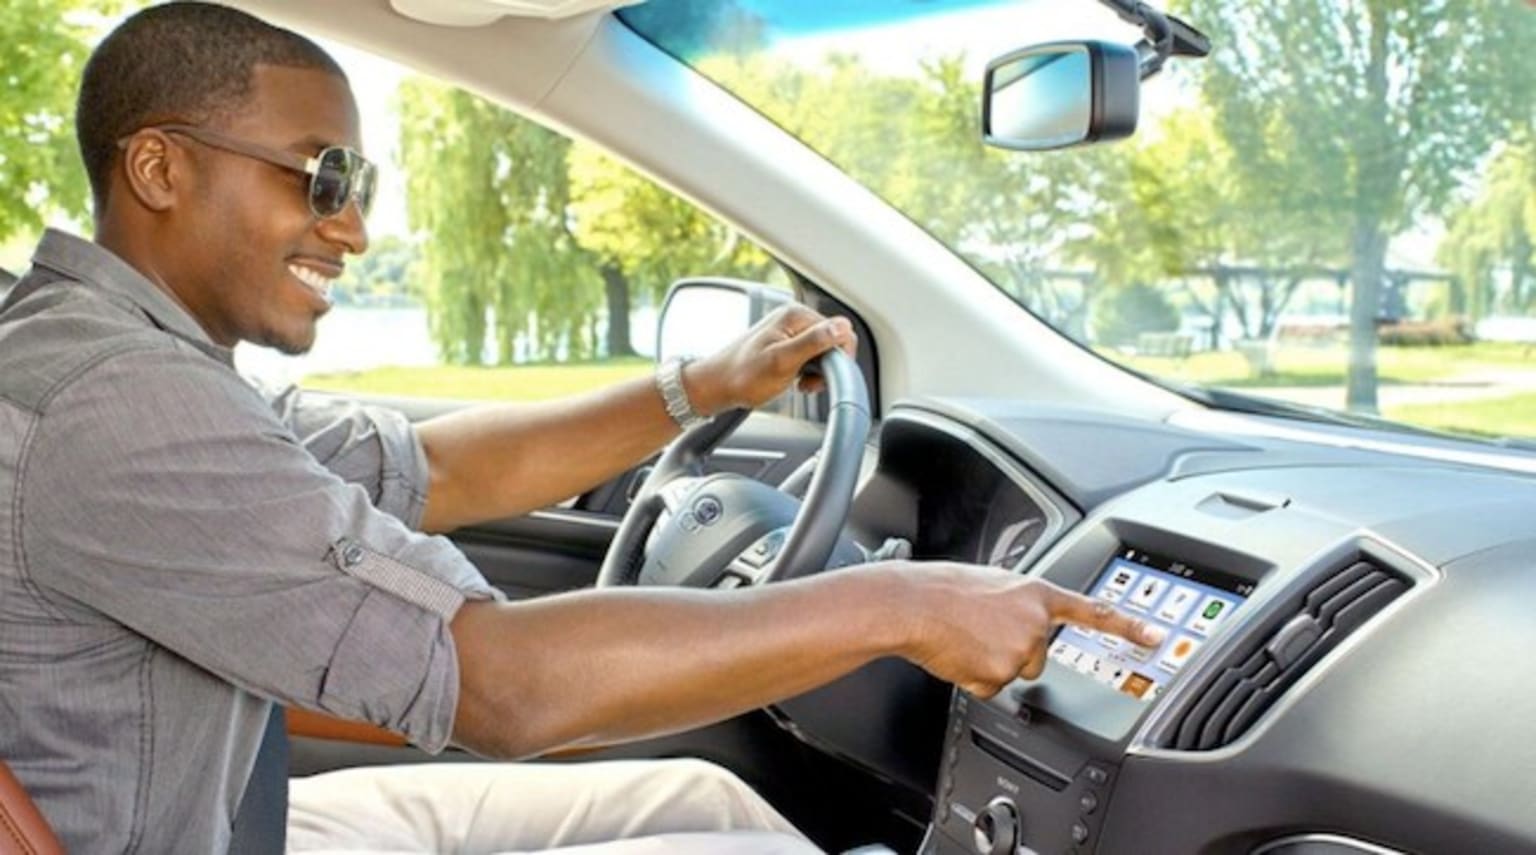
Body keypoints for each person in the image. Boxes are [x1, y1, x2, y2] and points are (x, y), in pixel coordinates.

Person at [0, 3, 1165, 853]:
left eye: (360, 185)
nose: (350, 230)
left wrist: (699, 390)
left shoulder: (122, 363)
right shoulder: (120, 402)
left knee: (712, 808)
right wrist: (902, 604)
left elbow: (433, 465)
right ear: (156, 167)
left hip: (227, 810)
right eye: (320, 177)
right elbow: (507, 690)